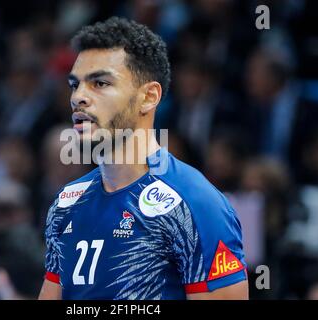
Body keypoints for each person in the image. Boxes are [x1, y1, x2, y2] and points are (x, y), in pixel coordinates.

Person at [38, 17, 248, 300]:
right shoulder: (66, 203)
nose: (78, 97)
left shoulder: (196, 204)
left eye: (99, 83)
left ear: (148, 97)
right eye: (75, 84)